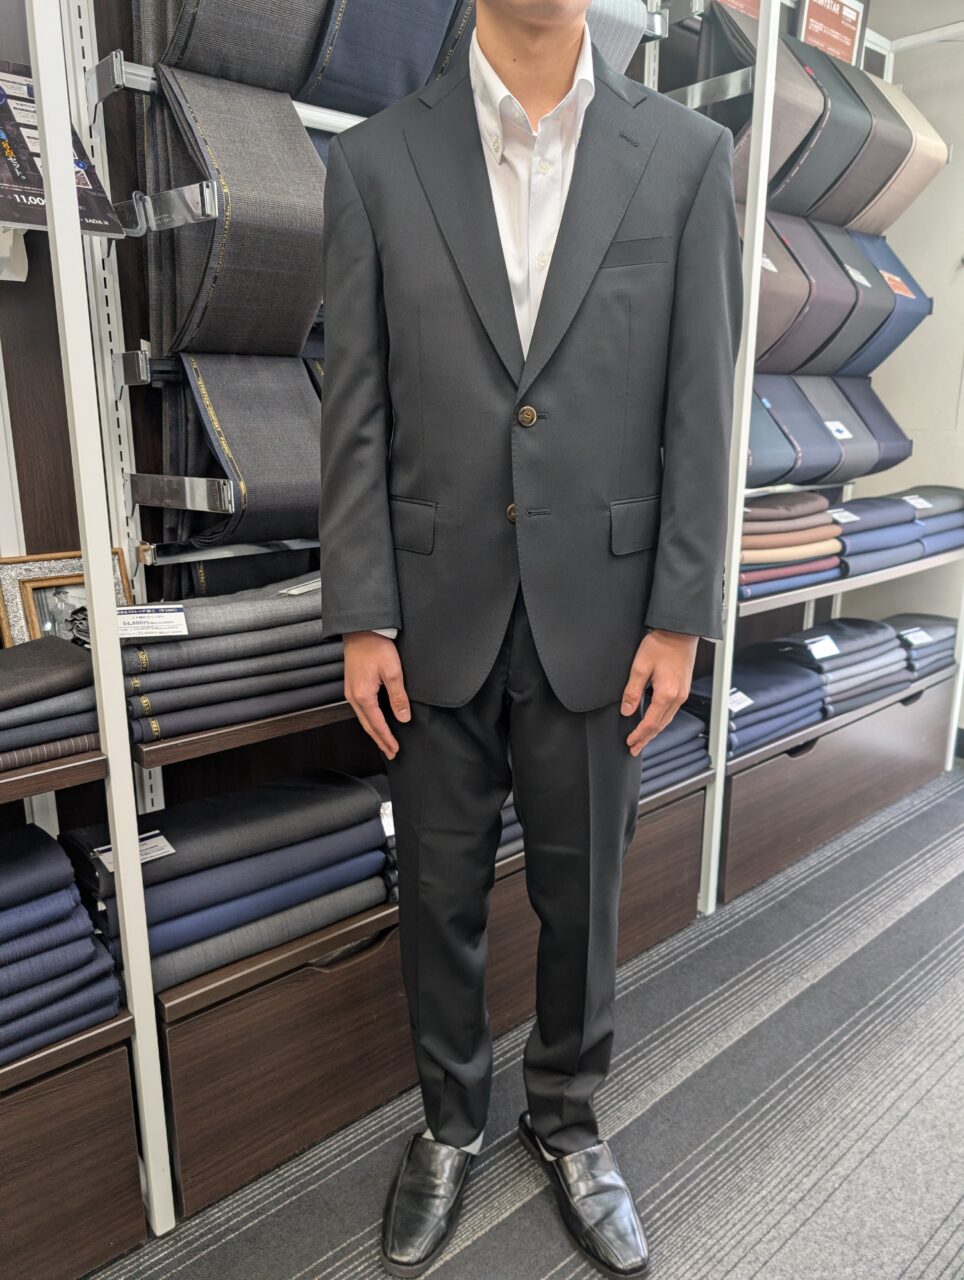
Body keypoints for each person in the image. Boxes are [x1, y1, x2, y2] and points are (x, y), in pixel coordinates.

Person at [318, 2, 742, 1274]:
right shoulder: (375, 161)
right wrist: (361, 613)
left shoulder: (685, 156)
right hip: (430, 611)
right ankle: (450, 1118)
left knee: (584, 892)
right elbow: (355, 408)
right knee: (437, 892)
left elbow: (700, 403)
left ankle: (565, 1114)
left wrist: (679, 613)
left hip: (602, 612)